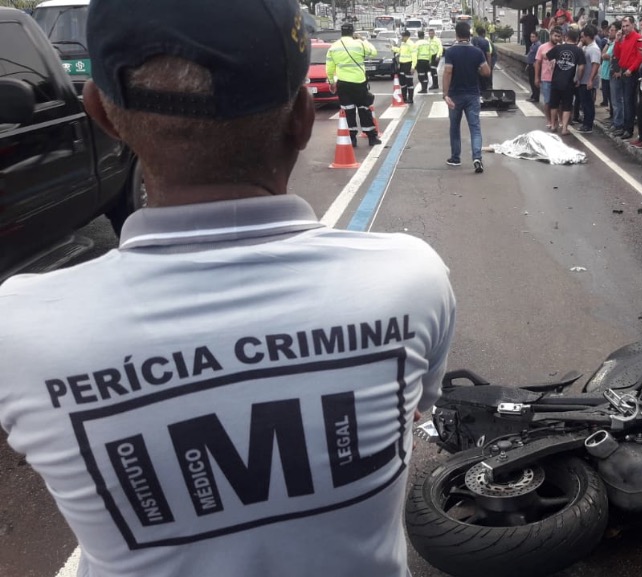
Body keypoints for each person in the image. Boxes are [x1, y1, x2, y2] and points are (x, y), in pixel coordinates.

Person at [0, 1, 457, 577]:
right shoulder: (408, 278)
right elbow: (416, 411)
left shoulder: (19, 326)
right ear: (301, 117)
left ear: (101, 114)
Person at [444, 21, 491, 173]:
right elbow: (486, 72)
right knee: (475, 128)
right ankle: (477, 158)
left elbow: (448, 72)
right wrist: (475, 69)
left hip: (455, 95)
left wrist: (445, 94)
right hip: (472, 94)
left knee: (455, 127)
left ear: (456, 34)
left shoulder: (450, 52)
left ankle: (455, 158)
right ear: (469, 34)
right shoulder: (477, 52)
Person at [327, 22, 382, 147]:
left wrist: (331, 82)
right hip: (359, 82)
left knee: (348, 111)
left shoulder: (333, 47)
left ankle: (352, 139)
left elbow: (329, 67)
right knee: (364, 109)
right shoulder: (359, 44)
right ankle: (372, 138)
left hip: (343, 83)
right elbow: (373, 52)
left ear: (341, 32)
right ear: (352, 32)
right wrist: (364, 40)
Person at [546, 27, 586, 135]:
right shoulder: (578, 51)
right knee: (566, 106)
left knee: (554, 104)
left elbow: (547, 56)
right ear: (576, 39)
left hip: (556, 80)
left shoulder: (558, 48)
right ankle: (564, 128)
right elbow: (582, 67)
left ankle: (553, 125)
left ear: (566, 37)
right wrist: (578, 79)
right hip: (569, 82)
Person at [613, 16, 642, 140]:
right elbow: (617, 55)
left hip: (632, 72)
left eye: (627, 26)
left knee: (629, 101)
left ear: (632, 25)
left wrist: (631, 69)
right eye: (623, 26)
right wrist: (617, 41)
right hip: (624, 71)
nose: (625, 28)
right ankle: (625, 127)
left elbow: (639, 56)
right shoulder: (624, 38)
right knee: (625, 100)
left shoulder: (638, 38)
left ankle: (628, 129)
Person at [536, 27, 563, 129]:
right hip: (546, 78)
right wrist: (537, 77)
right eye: (555, 36)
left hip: (559, 79)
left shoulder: (562, 48)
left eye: (559, 36)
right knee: (547, 101)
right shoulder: (542, 47)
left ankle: (560, 119)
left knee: (560, 102)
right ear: (550, 35)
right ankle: (549, 119)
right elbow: (538, 63)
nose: (556, 38)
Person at [578, 25, 602, 133]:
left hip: (588, 81)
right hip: (583, 80)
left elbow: (595, 65)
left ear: (587, 36)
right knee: (584, 102)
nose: (581, 39)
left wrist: (590, 80)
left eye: (583, 37)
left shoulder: (594, 49)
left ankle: (588, 124)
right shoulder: (586, 47)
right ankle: (585, 123)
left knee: (588, 104)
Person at [472, 26, 495, 91]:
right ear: (484, 33)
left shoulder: (473, 40)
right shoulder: (486, 41)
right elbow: (488, 55)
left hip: (475, 64)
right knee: (485, 82)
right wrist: (489, 67)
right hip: (483, 63)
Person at [397, 29, 416, 102]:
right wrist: (392, 48)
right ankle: (404, 98)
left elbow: (414, 56)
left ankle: (410, 98)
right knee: (402, 82)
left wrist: (413, 67)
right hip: (402, 65)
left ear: (407, 36)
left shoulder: (411, 44)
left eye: (403, 36)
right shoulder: (403, 43)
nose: (402, 38)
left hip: (408, 64)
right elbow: (400, 51)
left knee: (409, 82)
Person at [526, 31, 542, 102]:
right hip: (530, 64)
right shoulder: (533, 45)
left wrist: (535, 63)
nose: (531, 38)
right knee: (531, 81)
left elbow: (538, 57)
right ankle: (533, 95)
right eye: (531, 37)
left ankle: (536, 97)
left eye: (533, 37)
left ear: (537, 37)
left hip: (534, 66)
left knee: (534, 81)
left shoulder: (538, 45)